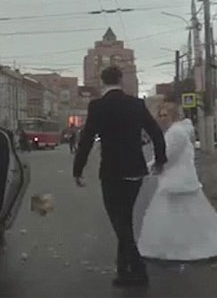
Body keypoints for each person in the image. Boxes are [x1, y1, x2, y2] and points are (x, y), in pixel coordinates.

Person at [73, 66, 167, 287]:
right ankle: (123, 271)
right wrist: (160, 160)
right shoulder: (136, 104)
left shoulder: (97, 106)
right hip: (135, 170)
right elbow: (155, 132)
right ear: (121, 80)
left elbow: (86, 140)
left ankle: (138, 269)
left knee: (119, 222)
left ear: (102, 82)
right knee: (124, 219)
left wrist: (78, 169)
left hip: (111, 172)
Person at [137, 102, 217, 261]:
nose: (162, 119)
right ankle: (181, 245)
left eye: (165, 115)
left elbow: (167, 156)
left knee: (176, 215)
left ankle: (181, 247)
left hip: (177, 180)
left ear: (174, 116)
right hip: (179, 179)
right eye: (160, 115)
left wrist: (147, 167)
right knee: (187, 215)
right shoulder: (176, 131)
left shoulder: (175, 132)